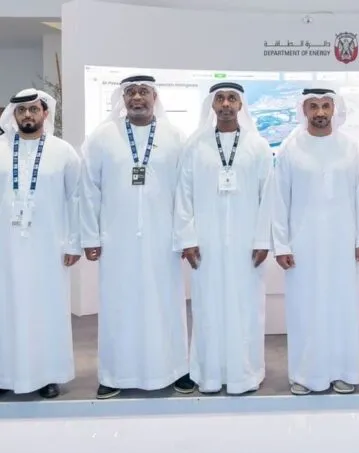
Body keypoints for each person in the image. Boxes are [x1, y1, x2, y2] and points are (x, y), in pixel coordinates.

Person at [80, 75, 194, 399]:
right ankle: (114, 374)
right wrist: (90, 236)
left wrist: (186, 236)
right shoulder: (102, 138)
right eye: (131, 92)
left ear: (154, 96)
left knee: (167, 304)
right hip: (117, 241)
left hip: (163, 239)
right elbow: (88, 191)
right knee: (119, 305)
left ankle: (175, 370)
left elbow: (185, 194)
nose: (137, 97)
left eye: (144, 91)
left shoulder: (175, 137)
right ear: (122, 98)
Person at [174, 82, 275, 395]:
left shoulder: (257, 146)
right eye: (221, 98)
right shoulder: (196, 145)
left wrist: (262, 240)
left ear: (241, 105)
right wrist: (188, 238)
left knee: (246, 309)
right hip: (207, 245)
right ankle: (208, 373)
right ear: (212, 105)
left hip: (247, 246)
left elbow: (267, 196)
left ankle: (246, 372)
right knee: (207, 308)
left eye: (232, 98)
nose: (227, 104)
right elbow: (184, 195)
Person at [272, 88, 359, 396]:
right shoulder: (290, 148)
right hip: (304, 245)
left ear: (334, 109)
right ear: (304, 110)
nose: (320, 112)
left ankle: (344, 371)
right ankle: (304, 374)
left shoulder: (350, 148)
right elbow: (278, 200)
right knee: (305, 309)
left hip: (343, 243)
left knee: (343, 307)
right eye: (313, 106)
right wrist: (282, 244)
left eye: (325, 105)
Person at [0, 88, 81, 399]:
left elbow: (76, 200)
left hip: (50, 246)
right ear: (14, 115)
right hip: (7, 246)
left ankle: (49, 375)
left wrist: (73, 242)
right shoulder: (2, 149)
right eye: (22, 111)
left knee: (48, 309)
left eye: (34, 109)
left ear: (45, 113)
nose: (28, 115)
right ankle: (7, 374)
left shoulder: (63, 152)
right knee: (8, 308)